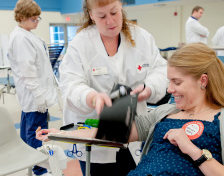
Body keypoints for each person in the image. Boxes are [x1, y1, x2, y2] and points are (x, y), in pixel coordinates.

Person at [37, 43, 224, 176]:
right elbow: (113, 133)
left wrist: (193, 150)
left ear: (203, 81)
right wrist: (60, 134)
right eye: (169, 81)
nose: (169, 89)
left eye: (177, 82)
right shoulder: (165, 112)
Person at [58, 0, 167, 175]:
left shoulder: (141, 38)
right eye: (102, 16)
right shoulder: (80, 44)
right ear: (91, 15)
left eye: (114, 13)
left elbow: (160, 70)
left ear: (121, 6)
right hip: (95, 130)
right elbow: (70, 84)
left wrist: (149, 88)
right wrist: (92, 97)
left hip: (133, 129)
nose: (110, 21)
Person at [8, 0, 57, 176]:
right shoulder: (21, 39)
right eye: (33, 19)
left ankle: (34, 166)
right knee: (36, 133)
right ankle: (39, 169)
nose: (37, 22)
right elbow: (28, 72)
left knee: (29, 132)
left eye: (38, 19)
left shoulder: (26, 35)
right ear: (22, 18)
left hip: (34, 95)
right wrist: (38, 96)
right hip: (34, 96)